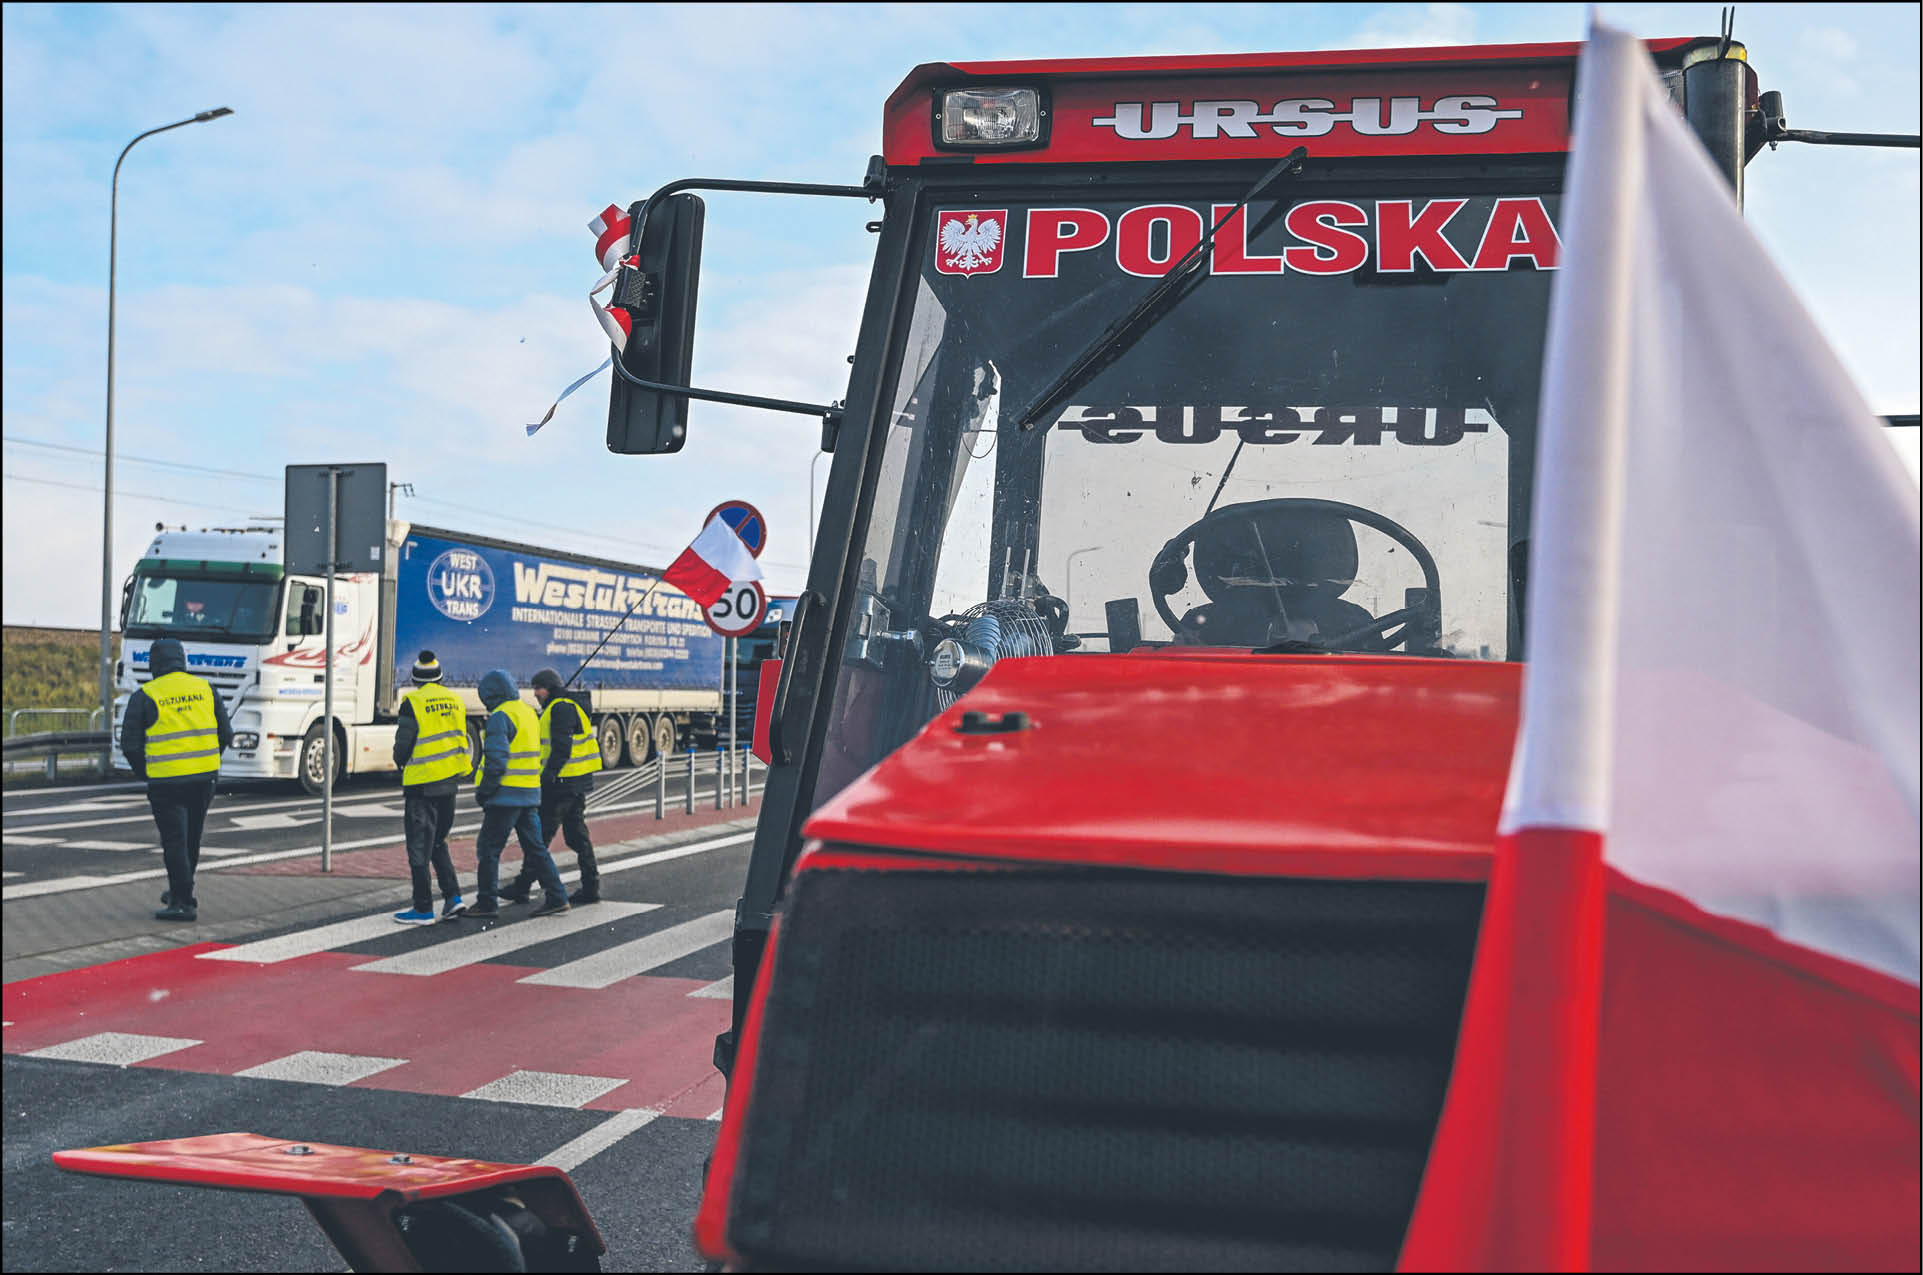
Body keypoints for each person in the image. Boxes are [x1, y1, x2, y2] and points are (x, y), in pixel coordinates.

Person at [120, 637, 232, 922]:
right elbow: (226, 734)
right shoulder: (206, 689)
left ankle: (182, 902)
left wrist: (147, 772)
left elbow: (130, 744)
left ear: (154, 663)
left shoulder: (146, 695)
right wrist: (208, 758)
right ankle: (180, 891)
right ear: (182, 660)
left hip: (166, 782)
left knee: (174, 841)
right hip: (204, 779)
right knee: (191, 838)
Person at [465, 669, 569, 919]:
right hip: (530, 793)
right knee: (536, 849)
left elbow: (496, 762)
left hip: (504, 796)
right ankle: (557, 896)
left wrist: (484, 792)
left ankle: (487, 902)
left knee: (488, 849)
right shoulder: (529, 713)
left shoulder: (500, 717)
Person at [502, 668, 602, 906]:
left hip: (562, 784)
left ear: (547, 688)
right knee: (576, 836)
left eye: (537, 688)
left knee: (540, 837)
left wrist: (547, 777)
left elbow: (561, 748)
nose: (535, 694)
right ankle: (591, 886)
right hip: (575, 781)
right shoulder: (567, 705)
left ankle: (524, 886)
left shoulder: (560, 708)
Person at [389, 650, 468, 925]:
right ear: (440, 676)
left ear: (415, 678)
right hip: (449, 784)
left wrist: (399, 761)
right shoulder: (455, 700)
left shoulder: (414, 702)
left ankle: (422, 908)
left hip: (422, 785)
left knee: (419, 847)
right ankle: (453, 897)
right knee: (438, 842)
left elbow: (403, 744)